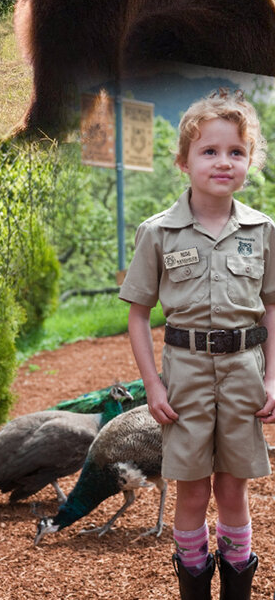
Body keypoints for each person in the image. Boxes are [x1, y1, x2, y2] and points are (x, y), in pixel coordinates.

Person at [120, 89, 275, 600]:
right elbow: (139, 315)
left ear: (250, 161)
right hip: (184, 375)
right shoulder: (158, 234)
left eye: (235, 151)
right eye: (209, 151)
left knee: (233, 488)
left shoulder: (263, 231)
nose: (223, 162)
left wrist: (273, 378)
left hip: (244, 372)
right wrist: (151, 385)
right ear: (183, 161)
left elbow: (272, 308)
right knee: (191, 490)